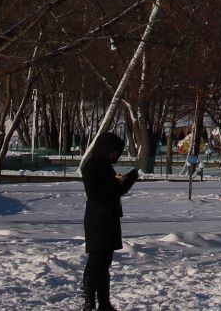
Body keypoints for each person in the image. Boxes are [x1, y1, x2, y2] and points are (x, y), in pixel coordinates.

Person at [79, 131, 139, 311]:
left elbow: (115, 191)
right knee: (95, 261)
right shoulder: (91, 166)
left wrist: (130, 178)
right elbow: (96, 193)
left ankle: (104, 303)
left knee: (105, 263)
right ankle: (89, 304)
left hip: (109, 217)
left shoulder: (105, 166)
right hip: (98, 218)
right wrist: (117, 182)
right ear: (104, 149)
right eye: (113, 152)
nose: (115, 156)